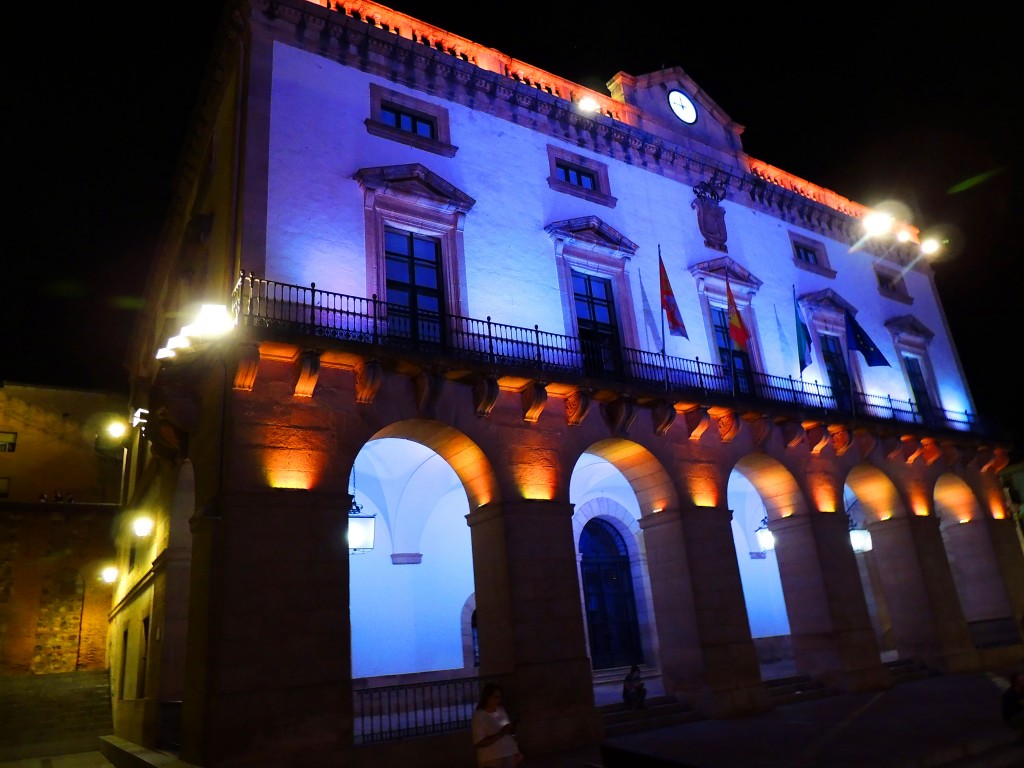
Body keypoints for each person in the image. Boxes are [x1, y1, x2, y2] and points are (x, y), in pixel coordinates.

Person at [472, 682, 522, 767]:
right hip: (491, 758)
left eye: (499, 697)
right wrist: (501, 733)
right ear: (488, 698)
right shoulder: (479, 716)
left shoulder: (500, 710)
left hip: (509, 753)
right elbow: (479, 742)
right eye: (496, 697)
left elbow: (506, 730)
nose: (498, 700)